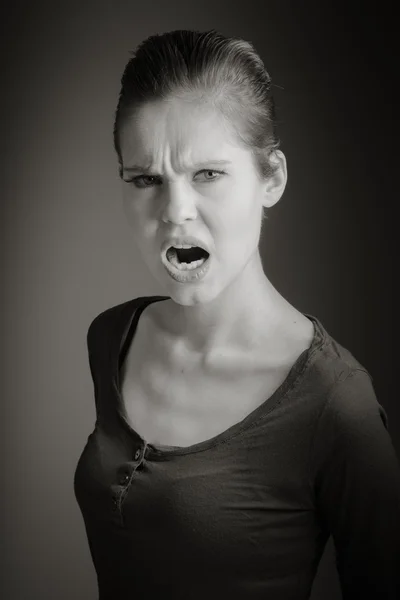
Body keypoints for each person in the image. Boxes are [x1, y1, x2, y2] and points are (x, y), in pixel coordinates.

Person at [73, 29, 400, 599]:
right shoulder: (111, 338)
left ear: (270, 177)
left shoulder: (336, 404)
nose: (176, 212)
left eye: (208, 174)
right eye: (147, 179)